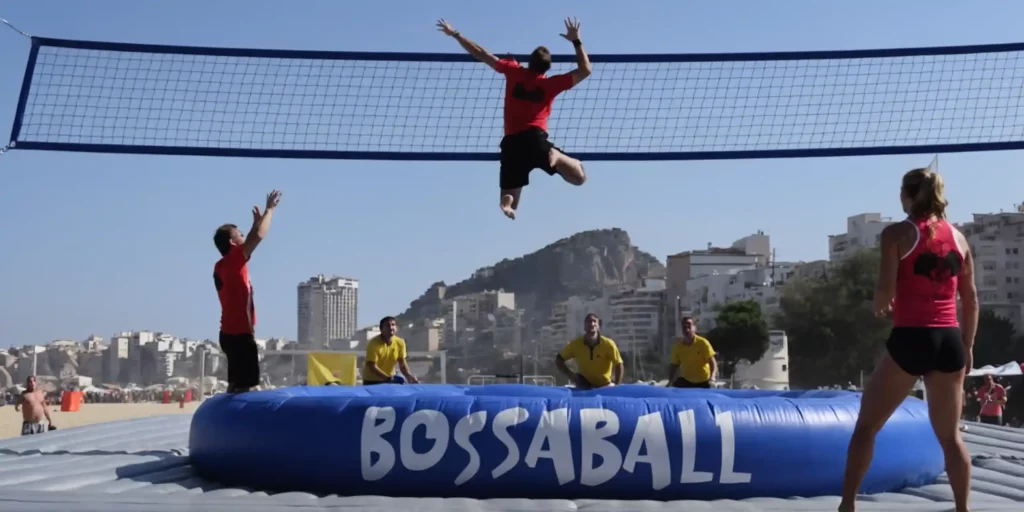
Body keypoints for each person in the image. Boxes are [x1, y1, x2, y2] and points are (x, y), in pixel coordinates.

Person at [838, 168, 977, 512]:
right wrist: (969, 346)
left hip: (913, 338)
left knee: (867, 427)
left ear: (908, 195)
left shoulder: (897, 233)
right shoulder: (960, 240)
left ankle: (848, 506)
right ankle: (963, 508)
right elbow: (971, 300)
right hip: (949, 340)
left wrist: (880, 304)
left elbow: (885, 291)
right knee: (951, 438)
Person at [436, 17, 592, 220]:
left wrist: (455, 34)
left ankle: (507, 205)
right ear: (547, 69)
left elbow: (481, 54)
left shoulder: (513, 72)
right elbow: (585, 69)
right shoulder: (551, 84)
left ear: (529, 63)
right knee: (579, 178)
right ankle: (558, 156)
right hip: (536, 140)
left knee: (510, 196)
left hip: (512, 143)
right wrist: (576, 41)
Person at [212, 189, 282, 394]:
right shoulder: (234, 260)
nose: (245, 236)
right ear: (233, 244)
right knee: (247, 387)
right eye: (240, 235)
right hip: (239, 335)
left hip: (229, 334)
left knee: (236, 385)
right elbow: (258, 235)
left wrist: (254, 225)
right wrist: (270, 210)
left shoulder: (222, 265)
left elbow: (252, 237)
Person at [555, 313, 624, 389]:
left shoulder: (608, 344)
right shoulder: (576, 344)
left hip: (604, 386)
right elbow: (559, 359)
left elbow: (619, 364)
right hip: (584, 386)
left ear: (598, 326)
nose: (592, 324)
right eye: (589, 321)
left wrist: (617, 385)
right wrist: (571, 375)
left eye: (594, 321)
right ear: (584, 326)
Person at [363, 316, 420, 385]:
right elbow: (371, 366)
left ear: (396, 328)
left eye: (393, 325)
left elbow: (402, 363)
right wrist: (387, 378)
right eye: (387, 325)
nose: (390, 328)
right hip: (372, 381)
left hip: (389, 379)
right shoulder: (373, 343)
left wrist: (409, 376)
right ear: (381, 329)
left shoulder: (400, 342)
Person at [667, 316, 717, 388]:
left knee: (709, 387)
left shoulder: (703, 343)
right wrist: (670, 381)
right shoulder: (678, 346)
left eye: (689, 325)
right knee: (675, 386)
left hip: (703, 381)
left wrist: (713, 378)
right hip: (687, 381)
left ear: (694, 327)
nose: (686, 328)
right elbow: (674, 365)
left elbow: (712, 362)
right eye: (684, 326)